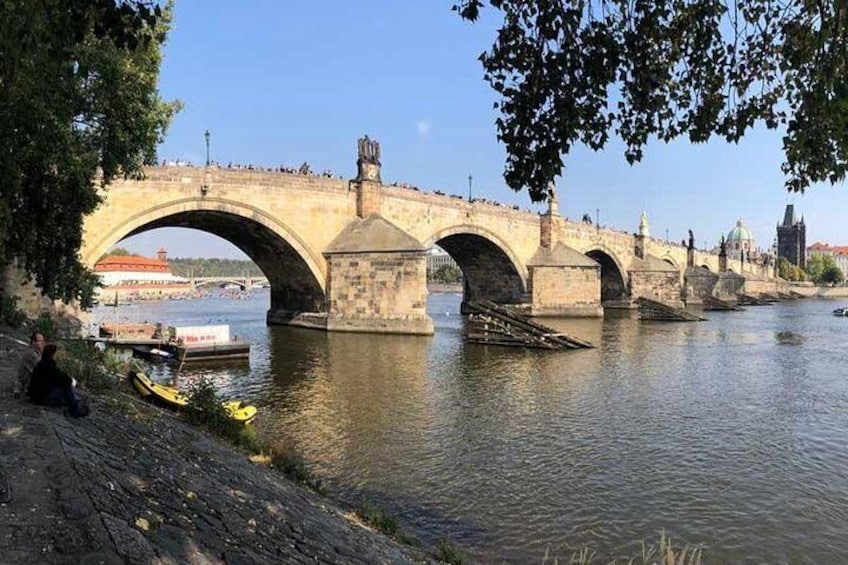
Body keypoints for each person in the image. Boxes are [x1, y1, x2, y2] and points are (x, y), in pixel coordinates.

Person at [27, 343, 88, 418]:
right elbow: (63, 380)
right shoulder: (48, 366)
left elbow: (59, 377)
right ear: (52, 354)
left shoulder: (44, 363)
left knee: (64, 388)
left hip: (39, 395)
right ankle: (74, 411)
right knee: (64, 388)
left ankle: (74, 404)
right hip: (40, 398)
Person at [15, 331, 44, 398]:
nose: (42, 343)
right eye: (39, 341)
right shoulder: (31, 353)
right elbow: (42, 368)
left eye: (42, 341)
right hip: (28, 382)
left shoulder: (37, 351)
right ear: (33, 342)